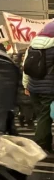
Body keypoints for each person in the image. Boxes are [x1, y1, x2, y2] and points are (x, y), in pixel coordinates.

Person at [23, 21, 54, 154]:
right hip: (49, 89)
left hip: (34, 87)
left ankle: (45, 144)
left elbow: (25, 67)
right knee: (44, 117)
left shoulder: (32, 46)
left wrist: (26, 85)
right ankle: (40, 145)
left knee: (42, 117)